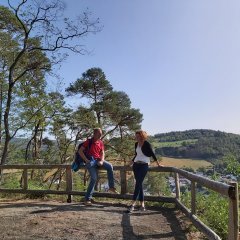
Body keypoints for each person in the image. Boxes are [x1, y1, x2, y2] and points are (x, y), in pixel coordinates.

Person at [79, 128, 118, 205]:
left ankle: (111, 187)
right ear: (94, 133)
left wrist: (102, 161)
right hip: (90, 161)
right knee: (94, 178)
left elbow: (102, 152)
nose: (101, 135)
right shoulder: (88, 141)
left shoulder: (100, 142)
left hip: (98, 160)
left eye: (101, 133)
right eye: (99, 133)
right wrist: (86, 160)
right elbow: (80, 151)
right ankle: (87, 199)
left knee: (110, 166)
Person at [126, 130, 162, 213]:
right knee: (139, 184)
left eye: (138, 136)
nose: (136, 137)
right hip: (136, 165)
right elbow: (136, 155)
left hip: (144, 165)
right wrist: (131, 163)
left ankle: (132, 205)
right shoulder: (136, 144)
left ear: (142, 136)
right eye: (136, 136)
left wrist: (158, 164)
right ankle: (142, 205)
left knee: (138, 184)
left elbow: (152, 154)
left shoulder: (146, 144)